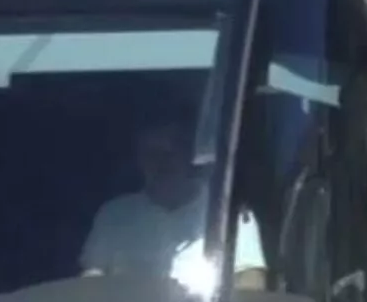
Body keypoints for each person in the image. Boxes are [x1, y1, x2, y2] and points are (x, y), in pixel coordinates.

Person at [81, 118, 268, 292]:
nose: (162, 164)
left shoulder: (230, 212)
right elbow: (92, 283)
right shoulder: (114, 215)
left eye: (170, 153)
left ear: (189, 156)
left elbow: (251, 281)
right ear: (139, 159)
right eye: (152, 154)